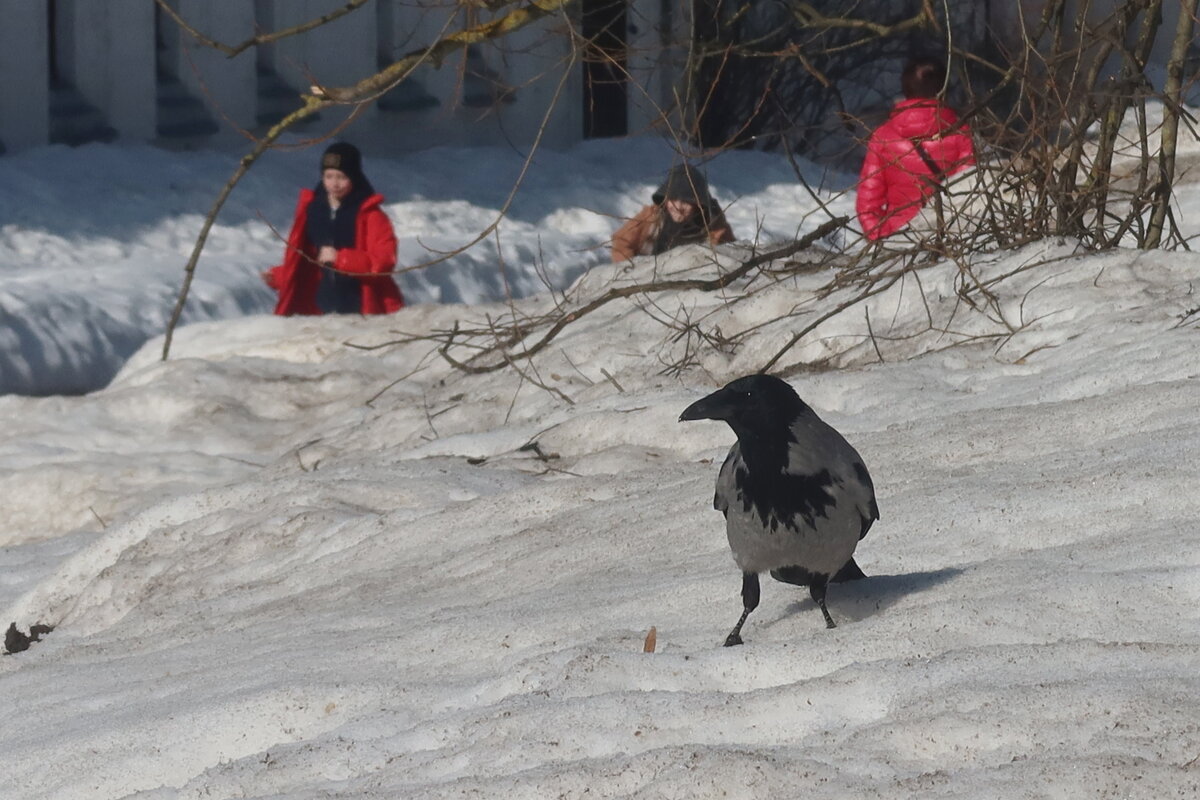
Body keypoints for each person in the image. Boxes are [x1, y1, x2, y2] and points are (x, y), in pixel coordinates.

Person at [262, 142, 405, 315]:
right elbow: (307, 262)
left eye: (341, 177)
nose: (334, 184)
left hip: (366, 307)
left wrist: (341, 259)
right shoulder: (313, 210)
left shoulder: (370, 214)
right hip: (322, 309)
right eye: (329, 176)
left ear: (354, 177)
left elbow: (384, 261)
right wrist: (280, 276)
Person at [856, 56, 976, 242]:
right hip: (949, 236)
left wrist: (883, 239)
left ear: (905, 89)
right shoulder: (961, 133)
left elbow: (867, 204)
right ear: (943, 90)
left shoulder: (883, 136)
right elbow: (969, 194)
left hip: (898, 237)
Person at [611, 164, 735, 262]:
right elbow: (621, 242)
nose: (678, 207)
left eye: (686, 202)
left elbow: (732, 258)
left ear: (698, 204)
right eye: (673, 200)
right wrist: (631, 272)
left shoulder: (714, 226)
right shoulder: (652, 217)